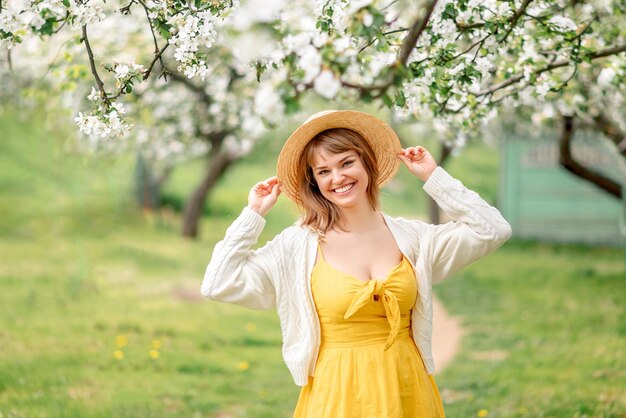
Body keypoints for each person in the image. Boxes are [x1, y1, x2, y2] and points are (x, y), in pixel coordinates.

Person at [202, 110, 512, 417]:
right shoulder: (297, 246)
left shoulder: (414, 239)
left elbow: (493, 229)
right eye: (323, 171)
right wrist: (253, 215)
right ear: (314, 182)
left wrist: (434, 177)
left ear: (367, 162)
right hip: (336, 398)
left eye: (346, 163)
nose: (338, 178)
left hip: (409, 392)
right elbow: (217, 283)